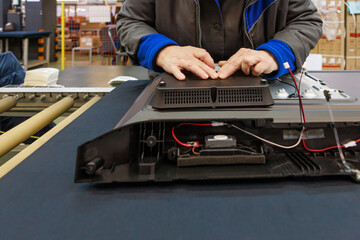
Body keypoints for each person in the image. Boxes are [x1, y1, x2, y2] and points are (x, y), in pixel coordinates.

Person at [116, 0, 322, 80]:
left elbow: (305, 20)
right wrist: (161, 51)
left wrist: (274, 53)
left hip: (267, 93)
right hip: (170, 93)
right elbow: (131, 21)